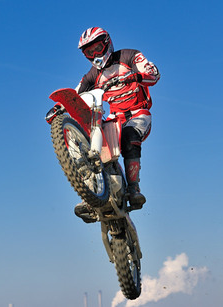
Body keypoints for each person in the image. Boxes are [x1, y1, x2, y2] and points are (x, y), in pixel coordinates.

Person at [74, 27, 160, 223]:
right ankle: (90, 197)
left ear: (106, 43)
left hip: (139, 113)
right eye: (89, 52)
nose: (95, 55)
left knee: (130, 136)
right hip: (115, 118)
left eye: (97, 48)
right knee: (90, 146)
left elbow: (153, 73)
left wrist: (137, 76)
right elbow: (76, 92)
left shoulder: (129, 56)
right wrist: (60, 107)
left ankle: (133, 188)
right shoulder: (92, 75)